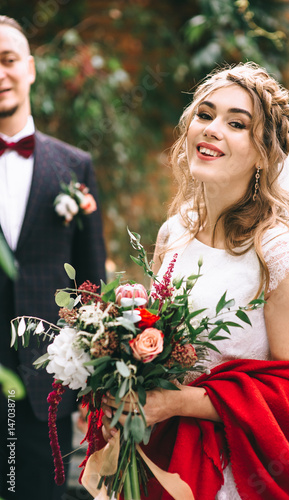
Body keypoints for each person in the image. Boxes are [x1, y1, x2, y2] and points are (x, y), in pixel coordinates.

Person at [101, 62, 289, 499]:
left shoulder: (277, 254)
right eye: (205, 115)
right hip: (163, 456)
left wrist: (176, 402)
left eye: (237, 123)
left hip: (235, 473)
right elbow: (157, 342)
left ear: (264, 153)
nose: (212, 129)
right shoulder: (175, 230)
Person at [0, 16, 106, 500]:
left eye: (8, 61)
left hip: (46, 384)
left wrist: (95, 382)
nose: (0, 74)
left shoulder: (74, 166)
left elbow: (91, 283)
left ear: (31, 68)